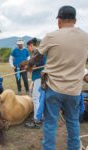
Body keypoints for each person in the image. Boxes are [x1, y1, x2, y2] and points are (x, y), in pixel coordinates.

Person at [33, 6, 88, 150]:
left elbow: (37, 57)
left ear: (59, 21)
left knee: (50, 124)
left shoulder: (51, 36)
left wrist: (29, 66)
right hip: (74, 91)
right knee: (73, 122)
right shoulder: (86, 37)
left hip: (53, 89)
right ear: (75, 20)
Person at [25, 38, 46, 128]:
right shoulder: (37, 52)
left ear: (31, 45)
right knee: (39, 98)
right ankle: (40, 116)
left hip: (39, 78)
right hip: (38, 77)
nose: (28, 49)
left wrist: (30, 67)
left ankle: (36, 120)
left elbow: (39, 64)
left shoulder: (38, 52)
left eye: (28, 47)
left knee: (35, 99)